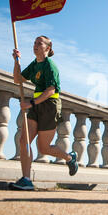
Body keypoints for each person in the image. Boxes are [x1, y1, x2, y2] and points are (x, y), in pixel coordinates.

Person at [10, 36, 78, 190]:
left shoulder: (50, 65)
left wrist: (31, 103)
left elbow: (51, 90)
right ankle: (26, 179)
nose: (35, 45)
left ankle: (69, 157)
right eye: (34, 42)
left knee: (43, 148)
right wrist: (16, 61)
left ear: (47, 47)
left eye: (39, 43)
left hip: (50, 105)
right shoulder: (34, 65)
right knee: (23, 140)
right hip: (36, 105)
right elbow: (17, 79)